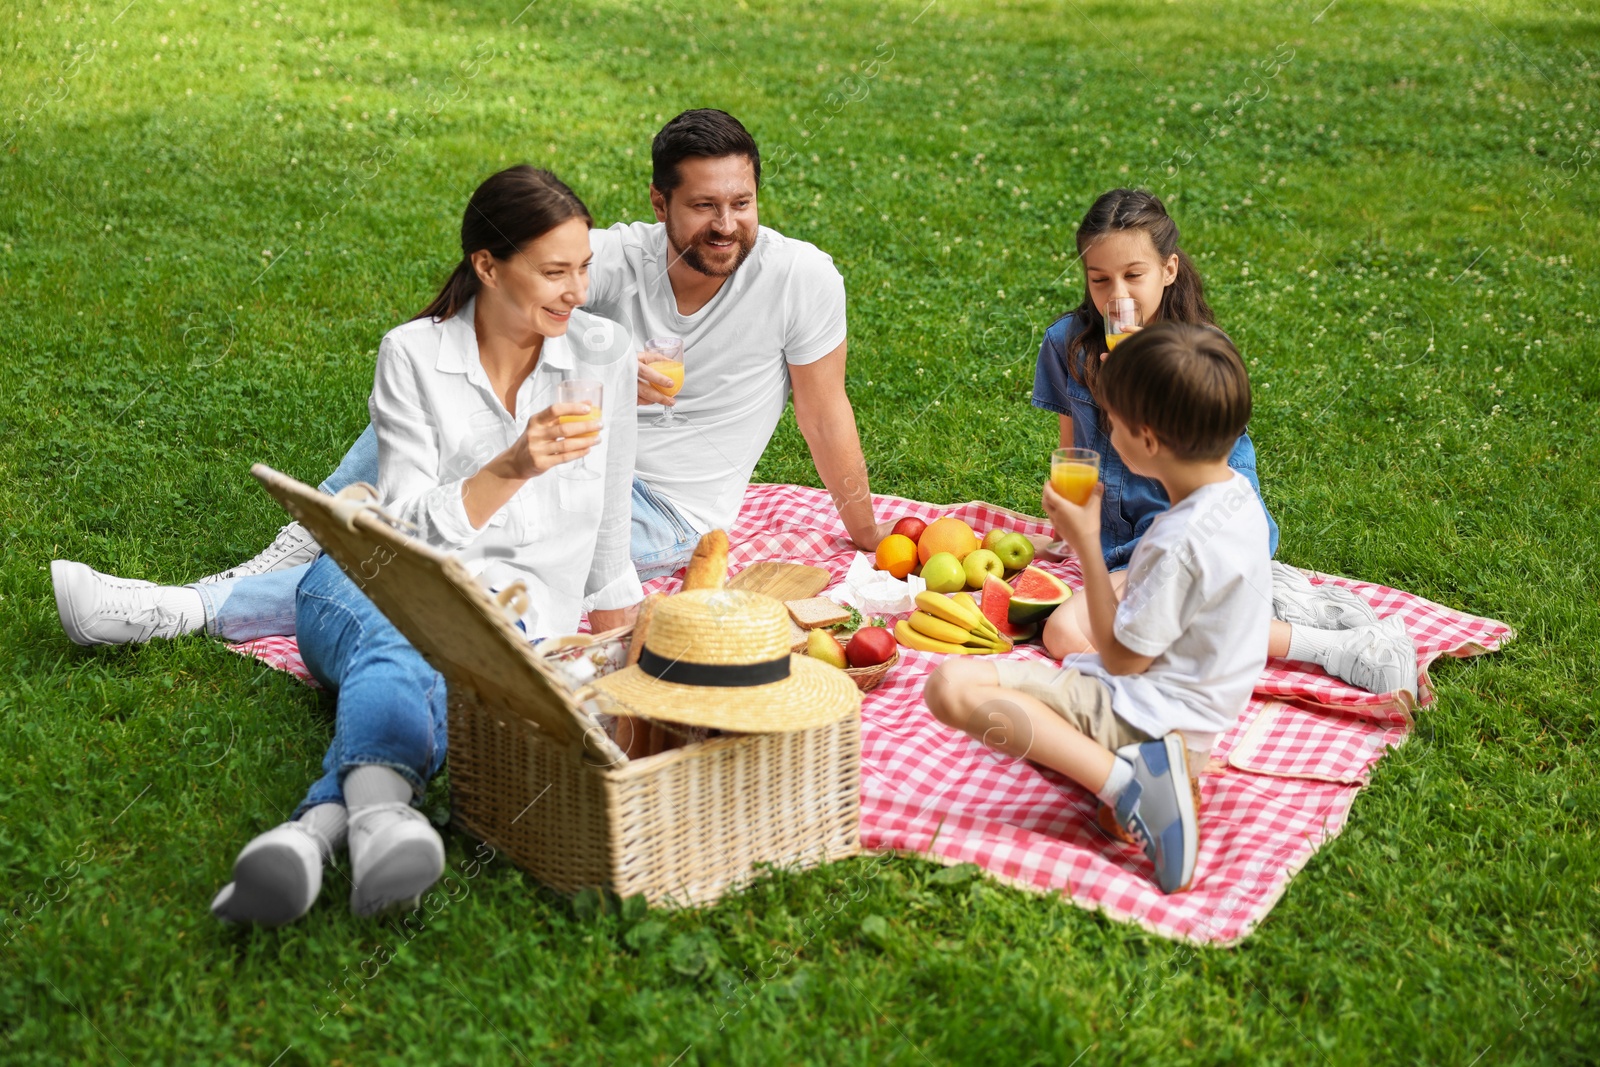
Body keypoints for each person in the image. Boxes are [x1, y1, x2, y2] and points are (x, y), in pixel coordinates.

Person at [50, 109, 885, 647]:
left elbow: (824, 408)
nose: (727, 225)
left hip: (660, 504)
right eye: (705, 205)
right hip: (550, 451)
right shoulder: (617, 258)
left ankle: (185, 609)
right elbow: (485, 322)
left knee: (448, 562)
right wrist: (599, 363)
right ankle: (304, 538)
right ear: (661, 202)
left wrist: (867, 531)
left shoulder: (799, 279)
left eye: (742, 202)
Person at [209, 167, 641, 925]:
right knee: (416, 629)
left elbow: (609, 522)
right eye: (553, 272)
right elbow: (399, 531)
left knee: (446, 659)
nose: (578, 291)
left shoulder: (601, 351)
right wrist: (509, 466)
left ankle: (317, 834)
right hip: (369, 586)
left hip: (513, 621)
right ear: (486, 265)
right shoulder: (412, 355)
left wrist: (619, 669)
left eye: (584, 268)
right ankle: (380, 824)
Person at [926, 323, 1269, 894]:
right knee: (1022, 718)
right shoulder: (1236, 498)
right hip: (1200, 722)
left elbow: (1123, 659)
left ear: (1149, 440)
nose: (1107, 432)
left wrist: (1085, 541)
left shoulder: (1177, 542)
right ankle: (1161, 775)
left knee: (951, 688)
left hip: (1145, 716)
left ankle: (1132, 786)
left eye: (1114, 423)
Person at [1031, 188, 1416, 697]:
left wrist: (1130, 391)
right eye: (1099, 279)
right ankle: (1282, 603)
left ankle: (1334, 646)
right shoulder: (1068, 344)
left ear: (1168, 269)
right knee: (1125, 626)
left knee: (1065, 632)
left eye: (1134, 275)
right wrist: (1070, 524)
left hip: (1193, 527)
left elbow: (1203, 476)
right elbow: (1072, 450)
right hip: (1118, 542)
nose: (1116, 296)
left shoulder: (1196, 356)